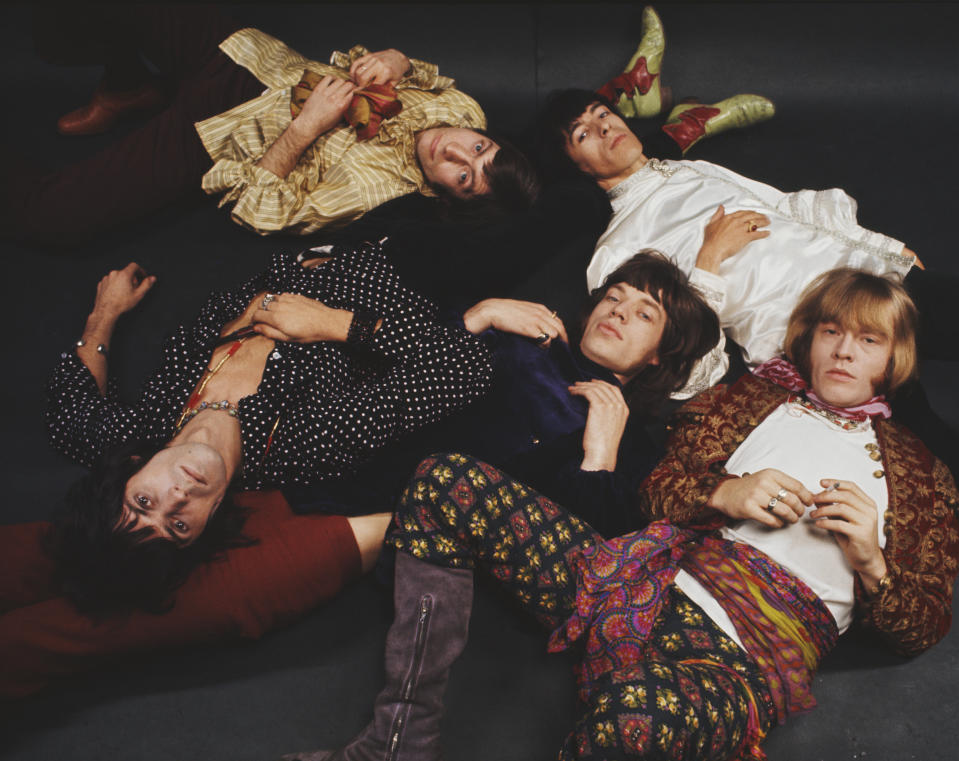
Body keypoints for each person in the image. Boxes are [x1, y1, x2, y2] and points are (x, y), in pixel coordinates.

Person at [0, 211, 756, 698]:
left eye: (640, 314)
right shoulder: (531, 332)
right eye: (613, 299)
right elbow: (435, 359)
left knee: (156, 601)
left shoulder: (631, 433)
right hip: (319, 464)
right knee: (75, 547)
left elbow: (582, 543)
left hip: (358, 508)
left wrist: (598, 453)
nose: (616, 312)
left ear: (660, 358)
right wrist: (479, 315)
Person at [281, 268, 958, 760]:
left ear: (892, 357)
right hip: (636, 577)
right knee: (445, 480)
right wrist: (723, 493)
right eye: (832, 332)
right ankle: (394, 742)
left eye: (866, 340)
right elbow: (655, 488)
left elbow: (921, 625)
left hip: (739, 658)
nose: (843, 350)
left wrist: (870, 558)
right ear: (807, 340)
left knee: (629, 727)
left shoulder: (922, 475)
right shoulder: (745, 402)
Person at [44, 237, 493, 617]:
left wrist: (105, 313)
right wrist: (333, 324)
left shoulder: (143, 428)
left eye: (144, 502)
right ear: (210, 522)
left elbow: (70, 417)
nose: (177, 497)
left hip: (297, 234)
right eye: (179, 526)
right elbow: (463, 367)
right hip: (410, 252)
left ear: (132, 470)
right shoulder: (307, 444)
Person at [6, 6, 538, 247]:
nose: (458, 152)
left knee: (48, 216)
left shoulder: (371, 193)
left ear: (445, 198)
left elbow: (259, 212)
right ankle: (126, 86)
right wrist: (396, 60)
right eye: (480, 149)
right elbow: (425, 73)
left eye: (466, 176)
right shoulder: (467, 114)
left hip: (215, 132)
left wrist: (304, 129)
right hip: (252, 58)